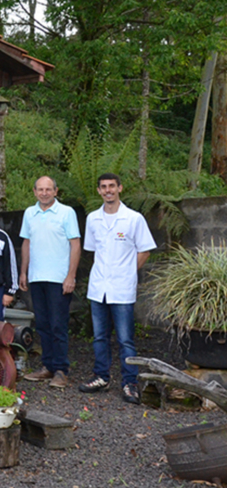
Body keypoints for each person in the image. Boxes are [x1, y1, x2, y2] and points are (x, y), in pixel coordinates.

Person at [78, 173, 156, 405]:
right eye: (103, 187)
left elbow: (145, 250)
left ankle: (129, 383)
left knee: (125, 339)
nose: (108, 190)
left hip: (122, 288)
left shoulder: (133, 219)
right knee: (100, 337)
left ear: (120, 188)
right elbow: (93, 250)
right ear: (99, 190)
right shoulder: (93, 219)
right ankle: (101, 376)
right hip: (98, 287)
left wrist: (128, 271)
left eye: (112, 186)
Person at [19, 176, 81, 389]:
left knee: (58, 325)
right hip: (37, 278)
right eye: (40, 189)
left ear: (56, 191)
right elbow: (27, 243)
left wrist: (71, 275)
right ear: (35, 191)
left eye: (48, 189)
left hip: (59, 279)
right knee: (43, 325)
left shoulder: (67, 213)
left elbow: (75, 245)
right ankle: (47, 367)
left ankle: (61, 370)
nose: (44, 193)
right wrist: (23, 272)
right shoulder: (29, 213)